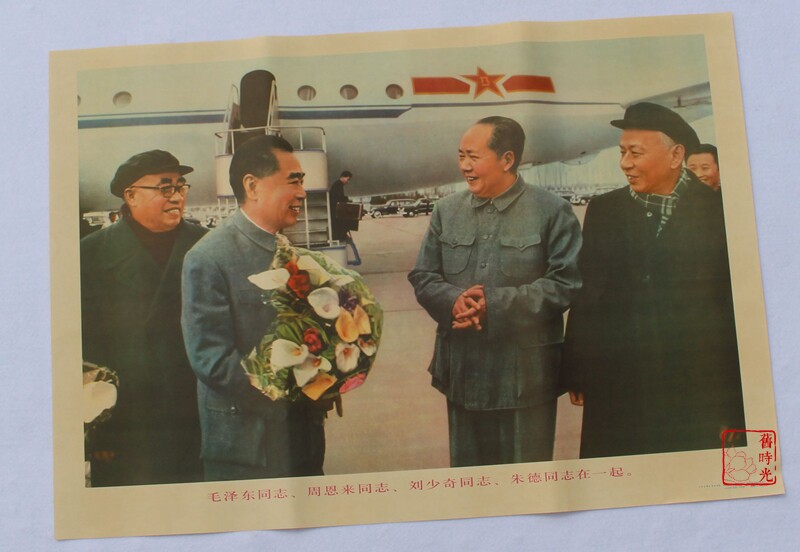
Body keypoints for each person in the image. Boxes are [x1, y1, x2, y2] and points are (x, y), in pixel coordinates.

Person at [561, 103, 745, 458]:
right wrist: (577, 367)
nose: (625, 163)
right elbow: (588, 294)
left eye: (636, 153)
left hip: (694, 385)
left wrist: (735, 403)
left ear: (676, 155)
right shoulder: (605, 210)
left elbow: (733, 310)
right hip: (617, 380)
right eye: (622, 152)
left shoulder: (719, 212)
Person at [408, 116, 582, 467]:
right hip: (463, 373)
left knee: (526, 481)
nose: (464, 166)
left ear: (507, 159)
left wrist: (494, 305)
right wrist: (454, 302)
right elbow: (423, 275)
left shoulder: (553, 211)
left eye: (473, 157)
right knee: (471, 483)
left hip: (525, 379)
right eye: (461, 156)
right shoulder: (446, 210)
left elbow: (566, 283)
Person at [181, 134, 329, 481]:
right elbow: (211, 359)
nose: (302, 193)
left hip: (303, 437)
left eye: (302, 182)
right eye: (293, 181)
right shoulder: (208, 257)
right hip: (248, 446)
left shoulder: (292, 252)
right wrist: (291, 393)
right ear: (253, 186)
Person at [80, 150, 206, 486]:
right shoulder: (89, 254)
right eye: (165, 188)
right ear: (131, 195)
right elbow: (84, 353)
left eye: (181, 186)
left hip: (194, 418)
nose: (177, 196)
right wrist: (97, 431)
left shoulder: (206, 247)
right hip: (124, 425)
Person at [329, 170, 362, 265]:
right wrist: (347, 199)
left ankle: (355, 259)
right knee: (346, 238)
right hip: (337, 218)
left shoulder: (337, 185)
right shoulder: (338, 186)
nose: (348, 182)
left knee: (346, 238)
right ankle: (355, 259)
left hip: (336, 216)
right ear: (343, 177)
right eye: (348, 179)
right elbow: (339, 199)